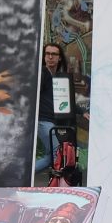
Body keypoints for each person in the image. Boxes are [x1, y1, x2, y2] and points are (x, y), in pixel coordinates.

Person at [36, 43, 67, 172]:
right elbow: (35, 93)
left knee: (50, 158)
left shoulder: (57, 77)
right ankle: (60, 184)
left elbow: (65, 100)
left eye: (53, 54)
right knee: (57, 153)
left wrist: (82, 111)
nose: (50, 57)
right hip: (44, 121)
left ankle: (21, 176)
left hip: (52, 121)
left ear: (59, 58)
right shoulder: (43, 73)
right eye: (47, 54)